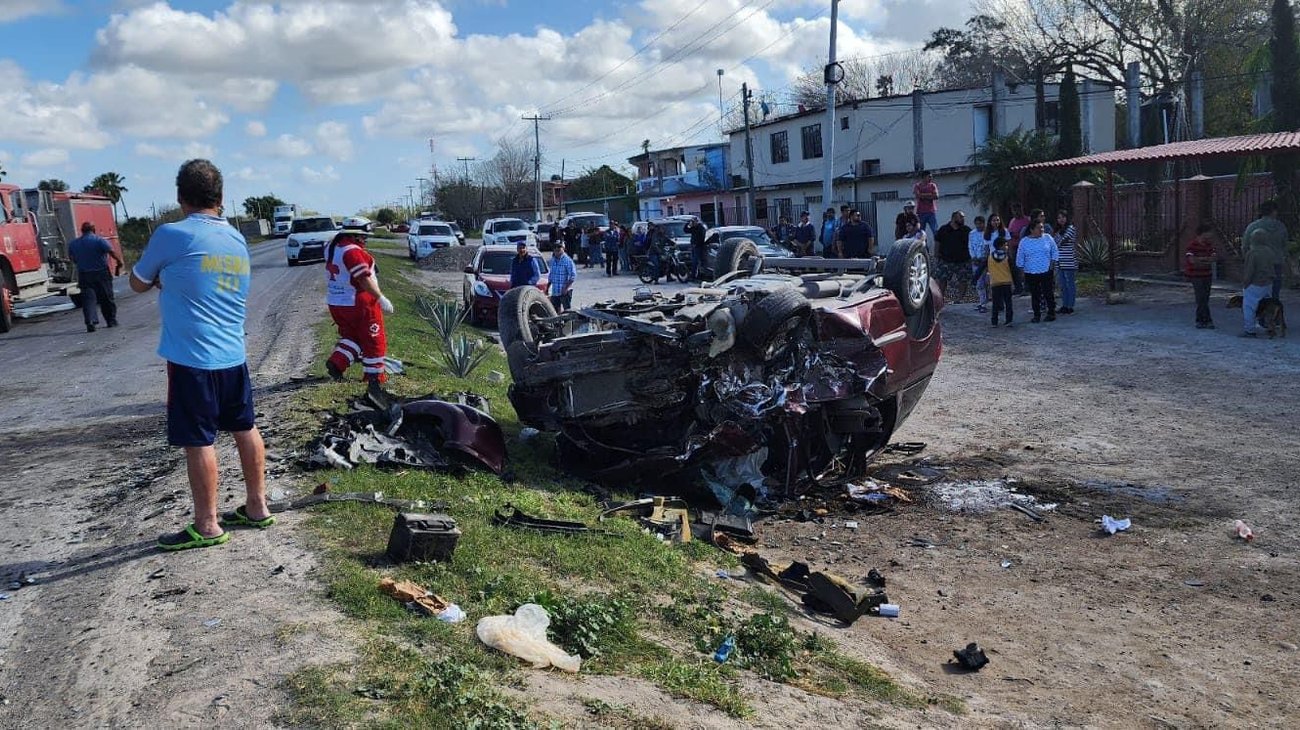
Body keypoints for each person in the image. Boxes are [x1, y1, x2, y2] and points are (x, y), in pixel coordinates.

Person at [129, 159, 270, 551]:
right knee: (245, 427)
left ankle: (207, 524)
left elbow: (137, 283)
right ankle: (257, 506)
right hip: (233, 353)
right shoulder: (236, 239)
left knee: (199, 440)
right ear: (220, 198)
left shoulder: (171, 234)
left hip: (193, 359)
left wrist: (162, 279)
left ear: (180, 197)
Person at [324, 221, 394, 388]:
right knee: (373, 339)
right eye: (363, 236)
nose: (365, 240)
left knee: (353, 336)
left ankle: (338, 361)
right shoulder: (352, 252)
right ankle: (374, 377)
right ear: (353, 235)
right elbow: (363, 278)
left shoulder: (332, 246)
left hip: (336, 303)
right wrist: (380, 298)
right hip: (359, 303)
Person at [67, 221, 125, 332]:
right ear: (93, 230)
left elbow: (72, 258)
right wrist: (119, 262)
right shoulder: (99, 241)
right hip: (101, 273)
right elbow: (112, 252)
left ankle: (90, 321)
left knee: (88, 299)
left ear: (82, 231)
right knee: (106, 298)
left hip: (84, 275)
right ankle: (111, 321)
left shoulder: (73, 244)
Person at [1242, 200, 1288, 300]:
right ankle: (1273, 309)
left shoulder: (1253, 226)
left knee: (1257, 290)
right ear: (1274, 211)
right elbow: (1285, 245)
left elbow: (1245, 246)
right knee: (1274, 291)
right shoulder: (1281, 227)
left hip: (1257, 263)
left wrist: (1247, 259)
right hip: (1275, 262)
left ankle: (1259, 311)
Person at [1016, 219, 1059, 323]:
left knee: (1048, 293)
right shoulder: (1024, 241)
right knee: (1035, 294)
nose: (1041, 230)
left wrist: (1052, 265)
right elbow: (1020, 257)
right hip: (1031, 272)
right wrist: (1021, 271)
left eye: (1042, 227)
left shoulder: (1048, 238)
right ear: (1031, 230)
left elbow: (1054, 251)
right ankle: (1037, 315)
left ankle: (1051, 313)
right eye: (1039, 228)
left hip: (1046, 271)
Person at [1241, 228, 1280, 337]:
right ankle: (1270, 327)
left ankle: (1250, 330)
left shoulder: (1252, 253)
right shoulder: (1270, 251)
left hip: (1255, 283)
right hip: (1268, 283)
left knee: (1249, 307)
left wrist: (1245, 283)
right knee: (1267, 307)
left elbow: (1249, 270)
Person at [1183, 223, 1217, 329]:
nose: (1211, 235)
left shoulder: (1209, 245)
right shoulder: (1192, 245)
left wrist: (1202, 260)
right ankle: (1207, 320)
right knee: (1200, 297)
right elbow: (1192, 260)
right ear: (1203, 233)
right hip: (1196, 275)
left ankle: (1200, 319)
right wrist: (1205, 260)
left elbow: (1213, 258)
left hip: (1207, 274)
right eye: (1209, 232)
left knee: (1205, 298)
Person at [933, 211, 971, 298]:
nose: (963, 219)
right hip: (945, 260)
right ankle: (941, 298)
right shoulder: (943, 229)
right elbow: (937, 242)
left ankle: (960, 299)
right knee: (942, 279)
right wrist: (936, 255)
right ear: (954, 218)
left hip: (963, 260)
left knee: (963, 280)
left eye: (963, 217)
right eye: (961, 217)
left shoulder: (966, 230)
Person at [987, 230, 1014, 327]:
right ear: (1001, 246)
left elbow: (982, 268)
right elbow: (1013, 271)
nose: (1007, 247)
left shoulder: (990, 256)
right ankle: (1009, 320)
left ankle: (994, 322)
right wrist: (1017, 283)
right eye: (1005, 245)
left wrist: (975, 278)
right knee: (1008, 303)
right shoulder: (1007, 257)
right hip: (1006, 282)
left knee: (995, 304)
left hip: (995, 283)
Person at [1054, 210, 1078, 314]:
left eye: (1063, 217)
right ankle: (1064, 305)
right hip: (1059, 261)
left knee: (1070, 284)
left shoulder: (1071, 228)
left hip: (1069, 261)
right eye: (1059, 218)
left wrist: (1056, 243)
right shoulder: (1057, 230)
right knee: (1062, 285)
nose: (1061, 219)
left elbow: (1062, 241)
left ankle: (1070, 306)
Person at [967, 215, 989, 313]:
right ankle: (982, 303)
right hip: (976, 260)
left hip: (987, 260)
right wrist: (973, 257)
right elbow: (970, 246)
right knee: (979, 283)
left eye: (981, 223)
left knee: (988, 281)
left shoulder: (988, 233)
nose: (979, 225)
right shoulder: (972, 233)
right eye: (977, 224)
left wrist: (986, 256)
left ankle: (990, 301)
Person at [549, 240, 576, 311]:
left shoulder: (568, 260)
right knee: (554, 312)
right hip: (555, 291)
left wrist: (565, 288)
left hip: (565, 292)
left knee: (567, 312)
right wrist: (547, 287)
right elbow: (551, 275)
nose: (557, 248)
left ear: (563, 248)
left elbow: (573, 276)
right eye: (555, 247)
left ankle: (567, 322)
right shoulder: (552, 260)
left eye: (559, 247)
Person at [912, 171, 940, 243]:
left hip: (931, 212)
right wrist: (930, 195)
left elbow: (936, 196)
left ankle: (938, 249)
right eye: (929, 177)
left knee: (935, 231)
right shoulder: (917, 186)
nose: (931, 178)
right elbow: (918, 195)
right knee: (921, 233)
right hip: (921, 212)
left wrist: (923, 195)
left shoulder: (933, 185)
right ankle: (924, 249)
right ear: (924, 177)